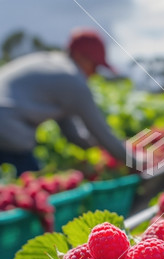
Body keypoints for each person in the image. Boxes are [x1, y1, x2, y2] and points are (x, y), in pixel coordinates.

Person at [0, 28, 140, 175]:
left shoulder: (55, 66)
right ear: (80, 57)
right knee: (27, 182)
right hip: (6, 127)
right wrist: (137, 162)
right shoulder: (73, 80)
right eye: (95, 66)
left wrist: (106, 146)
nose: (95, 73)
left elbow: (74, 134)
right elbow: (100, 131)